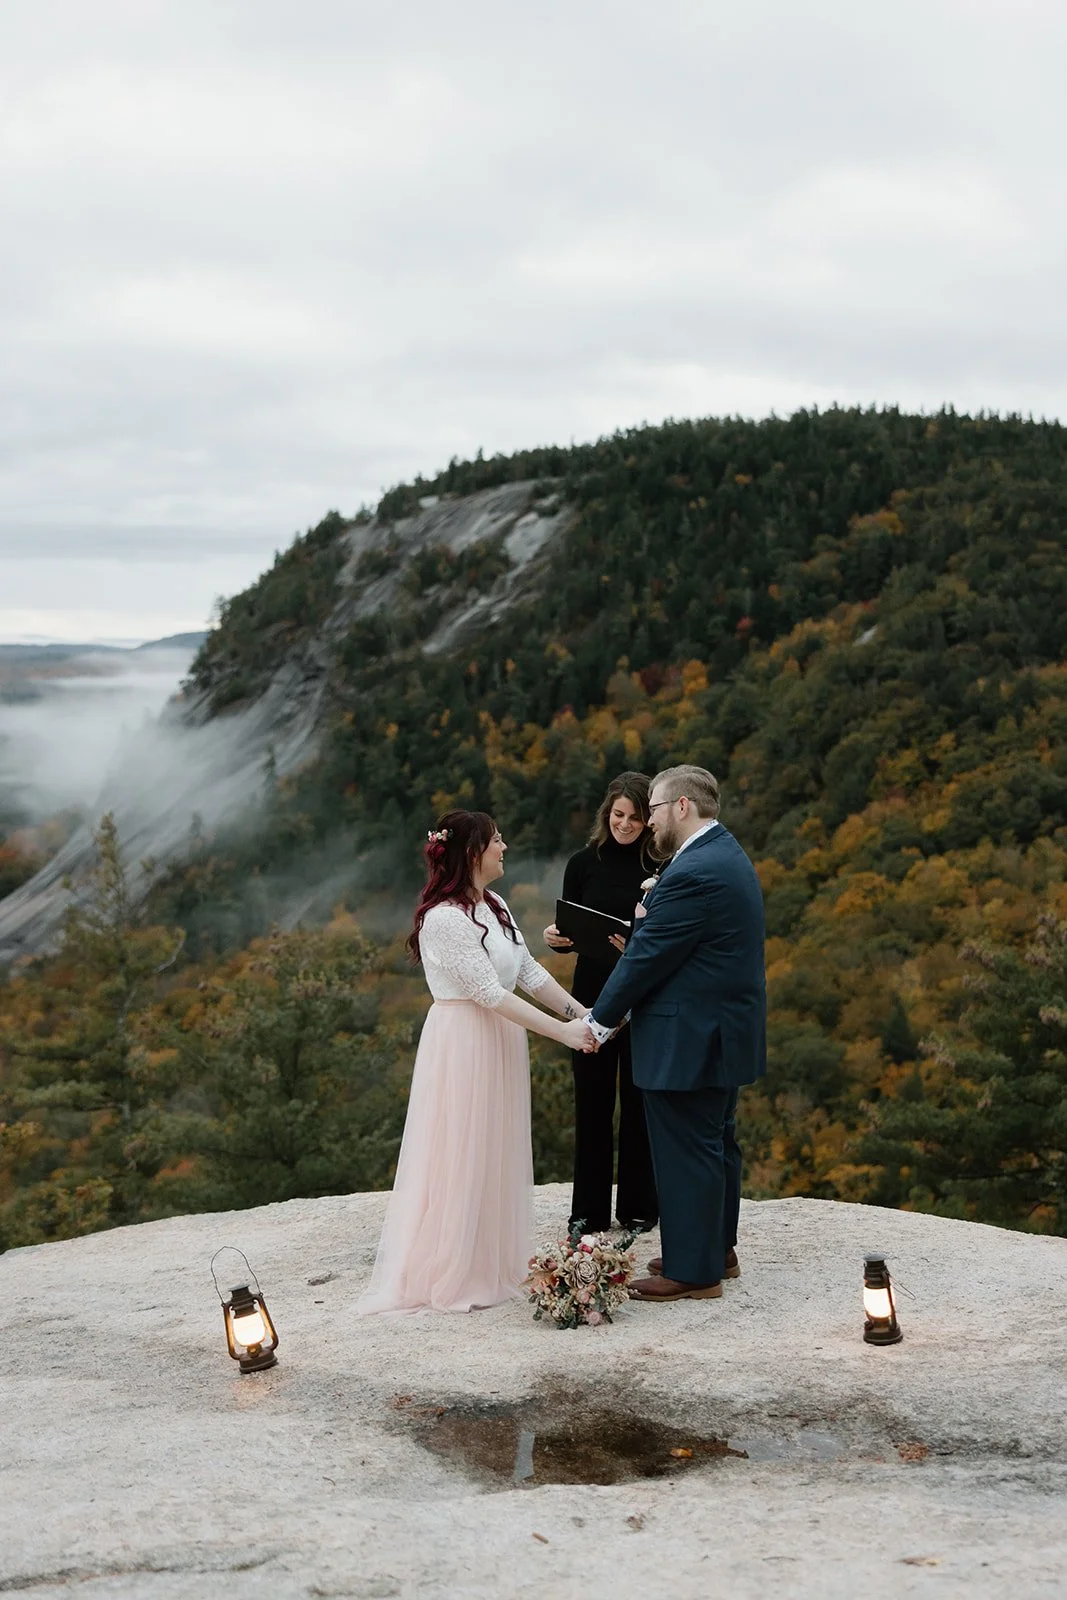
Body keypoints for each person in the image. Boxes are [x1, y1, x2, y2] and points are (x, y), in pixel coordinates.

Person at [358, 810, 595, 1315]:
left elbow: (528, 972)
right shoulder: (443, 920)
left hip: (501, 1038)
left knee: (495, 1145)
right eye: (496, 841)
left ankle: (490, 1260)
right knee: (462, 1148)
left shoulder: (495, 905)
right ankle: (456, 1268)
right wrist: (565, 1035)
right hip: (464, 1042)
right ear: (472, 853)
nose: (504, 847)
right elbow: (488, 993)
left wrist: (586, 1016)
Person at [585, 765, 766, 1303]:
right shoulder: (723, 853)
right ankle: (715, 1248)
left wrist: (599, 1021)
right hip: (720, 1030)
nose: (651, 822)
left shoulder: (693, 872)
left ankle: (693, 1271)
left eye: (656, 810)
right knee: (715, 1145)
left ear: (681, 807)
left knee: (687, 1149)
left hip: (689, 1035)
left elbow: (646, 958)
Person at [543, 772, 659, 1234]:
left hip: (643, 997)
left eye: (634, 817)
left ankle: (638, 1210)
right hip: (590, 996)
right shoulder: (582, 863)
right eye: (617, 815)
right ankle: (587, 1212)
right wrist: (557, 940)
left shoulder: (661, 866)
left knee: (637, 1102)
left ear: (650, 820)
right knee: (590, 1102)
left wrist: (637, 950)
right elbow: (572, 929)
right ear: (606, 813)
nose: (624, 825)